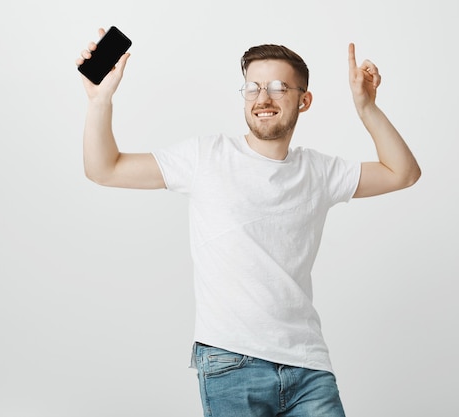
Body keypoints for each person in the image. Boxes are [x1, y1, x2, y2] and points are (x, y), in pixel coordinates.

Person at [76, 27, 420, 417]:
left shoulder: (319, 171)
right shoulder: (207, 157)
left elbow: (402, 173)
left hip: (309, 367)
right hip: (231, 363)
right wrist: (100, 100)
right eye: (253, 87)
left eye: (277, 87)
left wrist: (366, 108)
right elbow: (104, 169)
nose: (263, 98)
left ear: (304, 100)